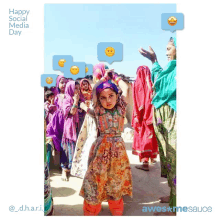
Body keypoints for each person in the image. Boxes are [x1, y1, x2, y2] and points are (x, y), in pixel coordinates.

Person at [79, 69, 132, 216]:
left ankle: (116, 210)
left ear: (117, 96)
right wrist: (103, 79)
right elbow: (95, 91)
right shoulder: (98, 110)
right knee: (95, 180)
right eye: (103, 98)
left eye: (111, 96)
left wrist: (114, 77)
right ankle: (91, 211)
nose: (107, 100)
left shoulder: (121, 109)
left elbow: (126, 88)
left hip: (117, 152)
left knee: (115, 180)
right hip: (100, 150)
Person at [139, 37, 176, 213]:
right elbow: (160, 77)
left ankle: (177, 206)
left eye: (170, 48)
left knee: (176, 160)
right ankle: (174, 194)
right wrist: (154, 61)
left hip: (174, 120)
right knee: (168, 159)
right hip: (163, 121)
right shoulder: (170, 69)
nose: (166, 51)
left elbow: (165, 86)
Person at [71, 64, 109, 179]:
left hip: (97, 127)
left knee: (92, 151)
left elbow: (99, 113)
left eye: (96, 75)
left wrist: (84, 108)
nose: (94, 78)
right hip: (94, 125)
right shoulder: (106, 89)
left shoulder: (103, 91)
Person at [132, 66, 158, 171]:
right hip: (151, 117)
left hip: (142, 117)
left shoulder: (137, 84)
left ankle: (145, 163)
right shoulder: (152, 84)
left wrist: (137, 116)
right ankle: (151, 158)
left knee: (142, 138)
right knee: (150, 137)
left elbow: (138, 102)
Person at [61, 81, 80, 181]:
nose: (78, 91)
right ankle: (64, 171)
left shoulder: (77, 99)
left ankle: (72, 169)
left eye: (78, 88)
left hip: (76, 126)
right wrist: (76, 102)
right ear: (70, 89)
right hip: (69, 128)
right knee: (67, 149)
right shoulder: (67, 100)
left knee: (74, 148)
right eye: (75, 88)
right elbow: (72, 112)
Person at [46, 76, 67, 168]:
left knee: (66, 142)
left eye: (66, 82)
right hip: (57, 123)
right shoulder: (56, 97)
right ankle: (60, 164)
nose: (64, 84)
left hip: (67, 122)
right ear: (58, 84)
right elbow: (51, 109)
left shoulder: (69, 96)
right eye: (62, 82)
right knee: (59, 141)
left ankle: (65, 164)